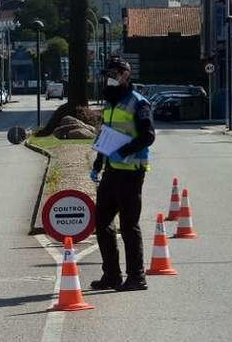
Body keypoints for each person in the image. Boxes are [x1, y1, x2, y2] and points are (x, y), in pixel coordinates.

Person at [89, 57, 156, 291]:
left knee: (129, 225)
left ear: (126, 75)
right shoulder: (111, 103)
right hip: (112, 170)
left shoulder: (139, 103)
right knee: (102, 222)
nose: (110, 77)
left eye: (115, 73)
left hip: (131, 172)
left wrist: (123, 151)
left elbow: (148, 136)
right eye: (108, 73)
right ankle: (111, 275)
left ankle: (136, 276)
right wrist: (98, 162)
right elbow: (106, 134)